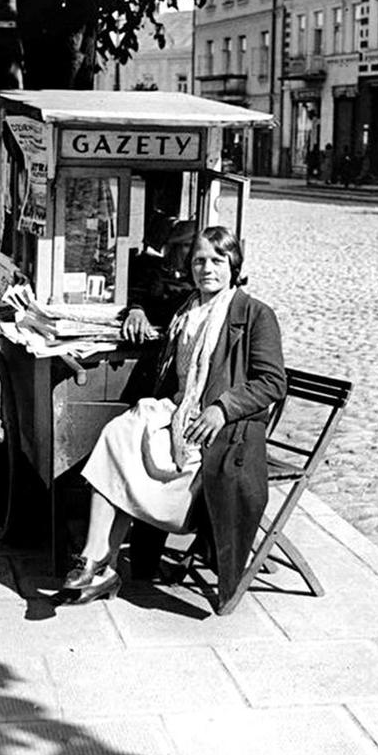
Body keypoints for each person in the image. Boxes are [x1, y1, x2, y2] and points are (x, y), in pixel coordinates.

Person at [61, 225, 286, 612]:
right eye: (199, 261)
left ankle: (101, 567)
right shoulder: (187, 306)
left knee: (130, 451)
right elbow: (146, 301)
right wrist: (135, 310)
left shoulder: (254, 315)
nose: (207, 269)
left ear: (234, 264)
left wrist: (222, 408)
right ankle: (95, 557)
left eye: (217, 260)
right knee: (118, 435)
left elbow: (272, 383)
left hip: (221, 431)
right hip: (178, 414)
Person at [122, 217, 195, 344]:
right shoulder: (152, 270)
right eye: (187, 245)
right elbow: (135, 294)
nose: (191, 252)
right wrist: (136, 310)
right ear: (174, 246)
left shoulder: (197, 278)